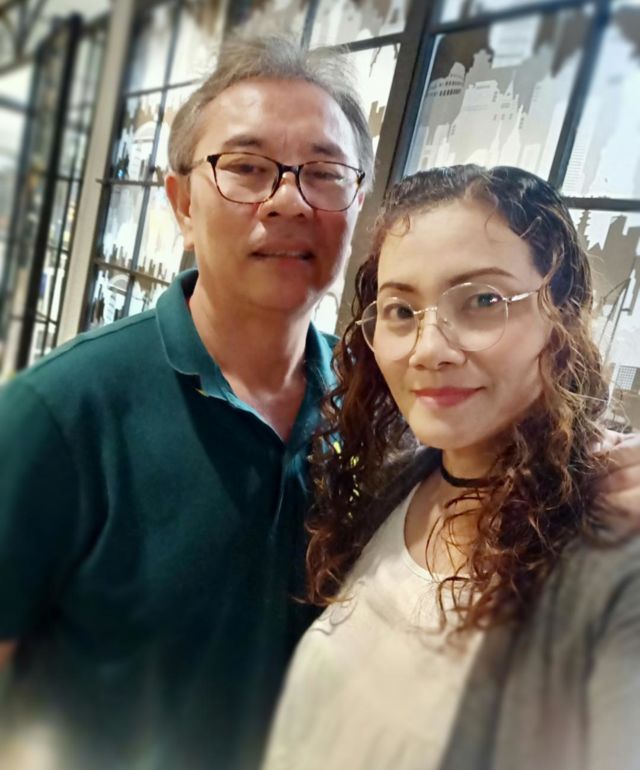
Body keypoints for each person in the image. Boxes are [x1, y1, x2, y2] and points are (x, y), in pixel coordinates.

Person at [0, 35, 372, 770]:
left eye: (325, 174)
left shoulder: (370, 411)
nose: (288, 200)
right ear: (182, 204)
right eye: (247, 168)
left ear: (356, 204)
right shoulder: (61, 410)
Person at [262, 165, 640, 770]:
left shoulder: (611, 548)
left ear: (561, 312)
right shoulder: (394, 483)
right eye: (401, 310)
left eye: (483, 301)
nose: (430, 349)